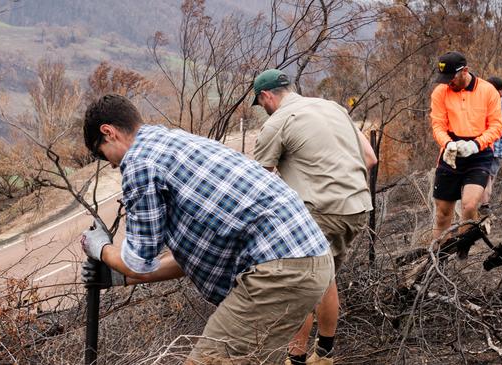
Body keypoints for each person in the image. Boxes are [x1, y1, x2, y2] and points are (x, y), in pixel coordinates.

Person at [80, 94, 334, 364]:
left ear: (108, 132)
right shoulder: (174, 142)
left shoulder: (140, 162)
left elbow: (138, 262)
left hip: (278, 271)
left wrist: (100, 249)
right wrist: (121, 277)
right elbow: (189, 257)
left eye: (101, 153)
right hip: (310, 261)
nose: (110, 164)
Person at [252, 69, 377, 365]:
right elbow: (370, 158)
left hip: (318, 213)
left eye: (261, 104)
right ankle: (323, 355)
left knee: (299, 286)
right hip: (357, 207)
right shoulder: (332, 107)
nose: (264, 110)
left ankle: (294, 359)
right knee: (325, 279)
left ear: (266, 96)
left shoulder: (278, 122)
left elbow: (257, 184)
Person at [429, 51, 502, 258]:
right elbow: (437, 125)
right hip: (450, 153)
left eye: (452, 78)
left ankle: (462, 249)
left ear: (465, 71)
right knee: (443, 213)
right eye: (445, 79)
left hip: (479, 153)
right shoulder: (440, 92)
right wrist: (448, 144)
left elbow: (497, 126)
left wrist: (476, 144)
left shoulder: (488, 91)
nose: (448, 83)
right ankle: (438, 257)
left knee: (470, 205)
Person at [480, 76, 502, 217]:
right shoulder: (496, 100)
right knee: (487, 178)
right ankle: (483, 206)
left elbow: (497, 132)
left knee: (486, 178)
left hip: (494, 149)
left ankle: (484, 207)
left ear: (499, 91)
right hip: (490, 147)